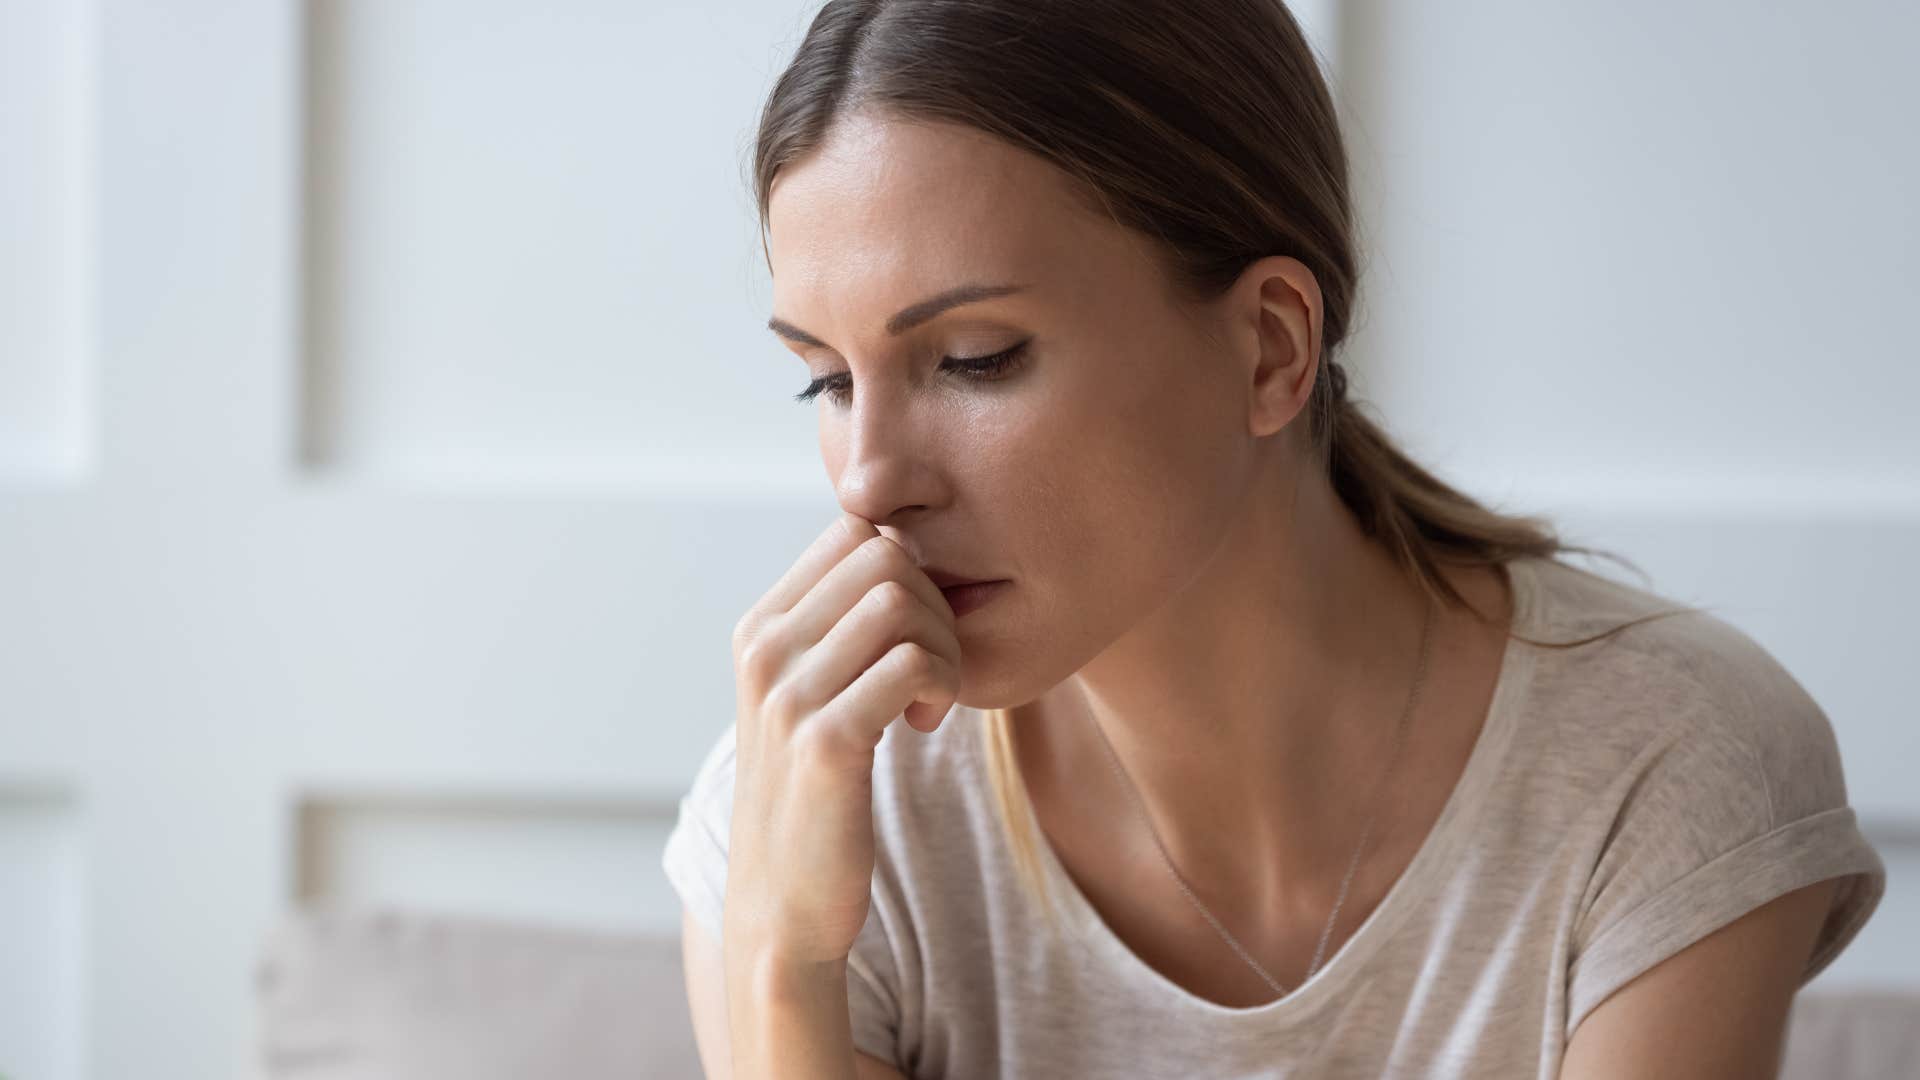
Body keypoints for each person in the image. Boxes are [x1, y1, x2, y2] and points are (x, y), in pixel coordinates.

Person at [662, 1, 1887, 1076]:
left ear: (1270, 347)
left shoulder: (1662, 771)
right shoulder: (808, 812)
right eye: (825, 380)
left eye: (978, 359)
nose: (868, 479)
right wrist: (780, 958)